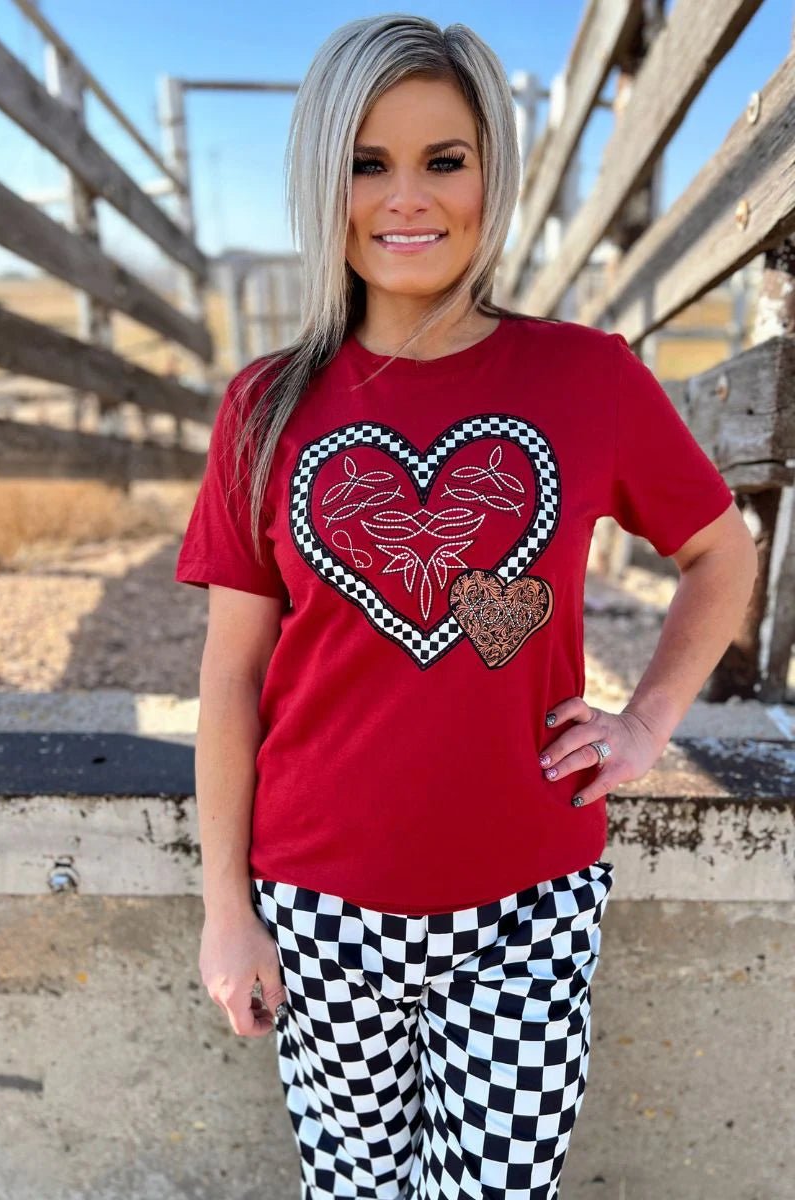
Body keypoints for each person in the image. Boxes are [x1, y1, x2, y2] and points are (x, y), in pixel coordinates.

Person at [174, 14, 758, 1199]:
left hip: (528, 907)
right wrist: (224, 910)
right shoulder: (264, 408)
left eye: (444, 159)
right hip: (319, 905)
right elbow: (230, 677)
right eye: (366, 162)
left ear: (489, 172)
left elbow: (721, 553)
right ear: (322, 177)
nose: (407, 198)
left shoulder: (587, 379)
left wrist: (645, 723)